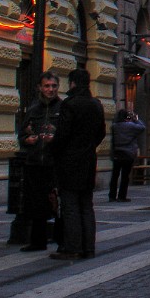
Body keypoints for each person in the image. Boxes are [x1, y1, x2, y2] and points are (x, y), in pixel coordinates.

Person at [49, 68, 106, 261]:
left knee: (70, 205)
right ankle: (88, 247)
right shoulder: (96, 104)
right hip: (89, 160)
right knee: (86, 205)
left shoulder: (70, 104)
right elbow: (101, 133)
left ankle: (72, 247)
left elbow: (63, 134)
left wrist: (54, 149)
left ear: (73, 83)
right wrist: (88, 147)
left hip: (69, 162)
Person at [17, 71, 62, 252]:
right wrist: (27, 140)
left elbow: (66, 134)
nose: (50, 89)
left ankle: (61, 240)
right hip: (35, 161)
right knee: (35, 203)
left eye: (53, 86)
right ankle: (38, 241)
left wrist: (55, 139)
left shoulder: (62, 108)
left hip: (54, 162)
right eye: (47, 86)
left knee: (57, 203)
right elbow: (23, 133)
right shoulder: (33, 109)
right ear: (40, 88)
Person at [108, 109, 145, 202]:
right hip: (128, 153)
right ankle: (121, 196)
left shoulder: (114, 126)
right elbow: (142, 127)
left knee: (115, 175)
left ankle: (112, 196)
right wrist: (136, 118)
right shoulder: (130, 126)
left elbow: (112, 141)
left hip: (117, 153)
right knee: (125, 176)